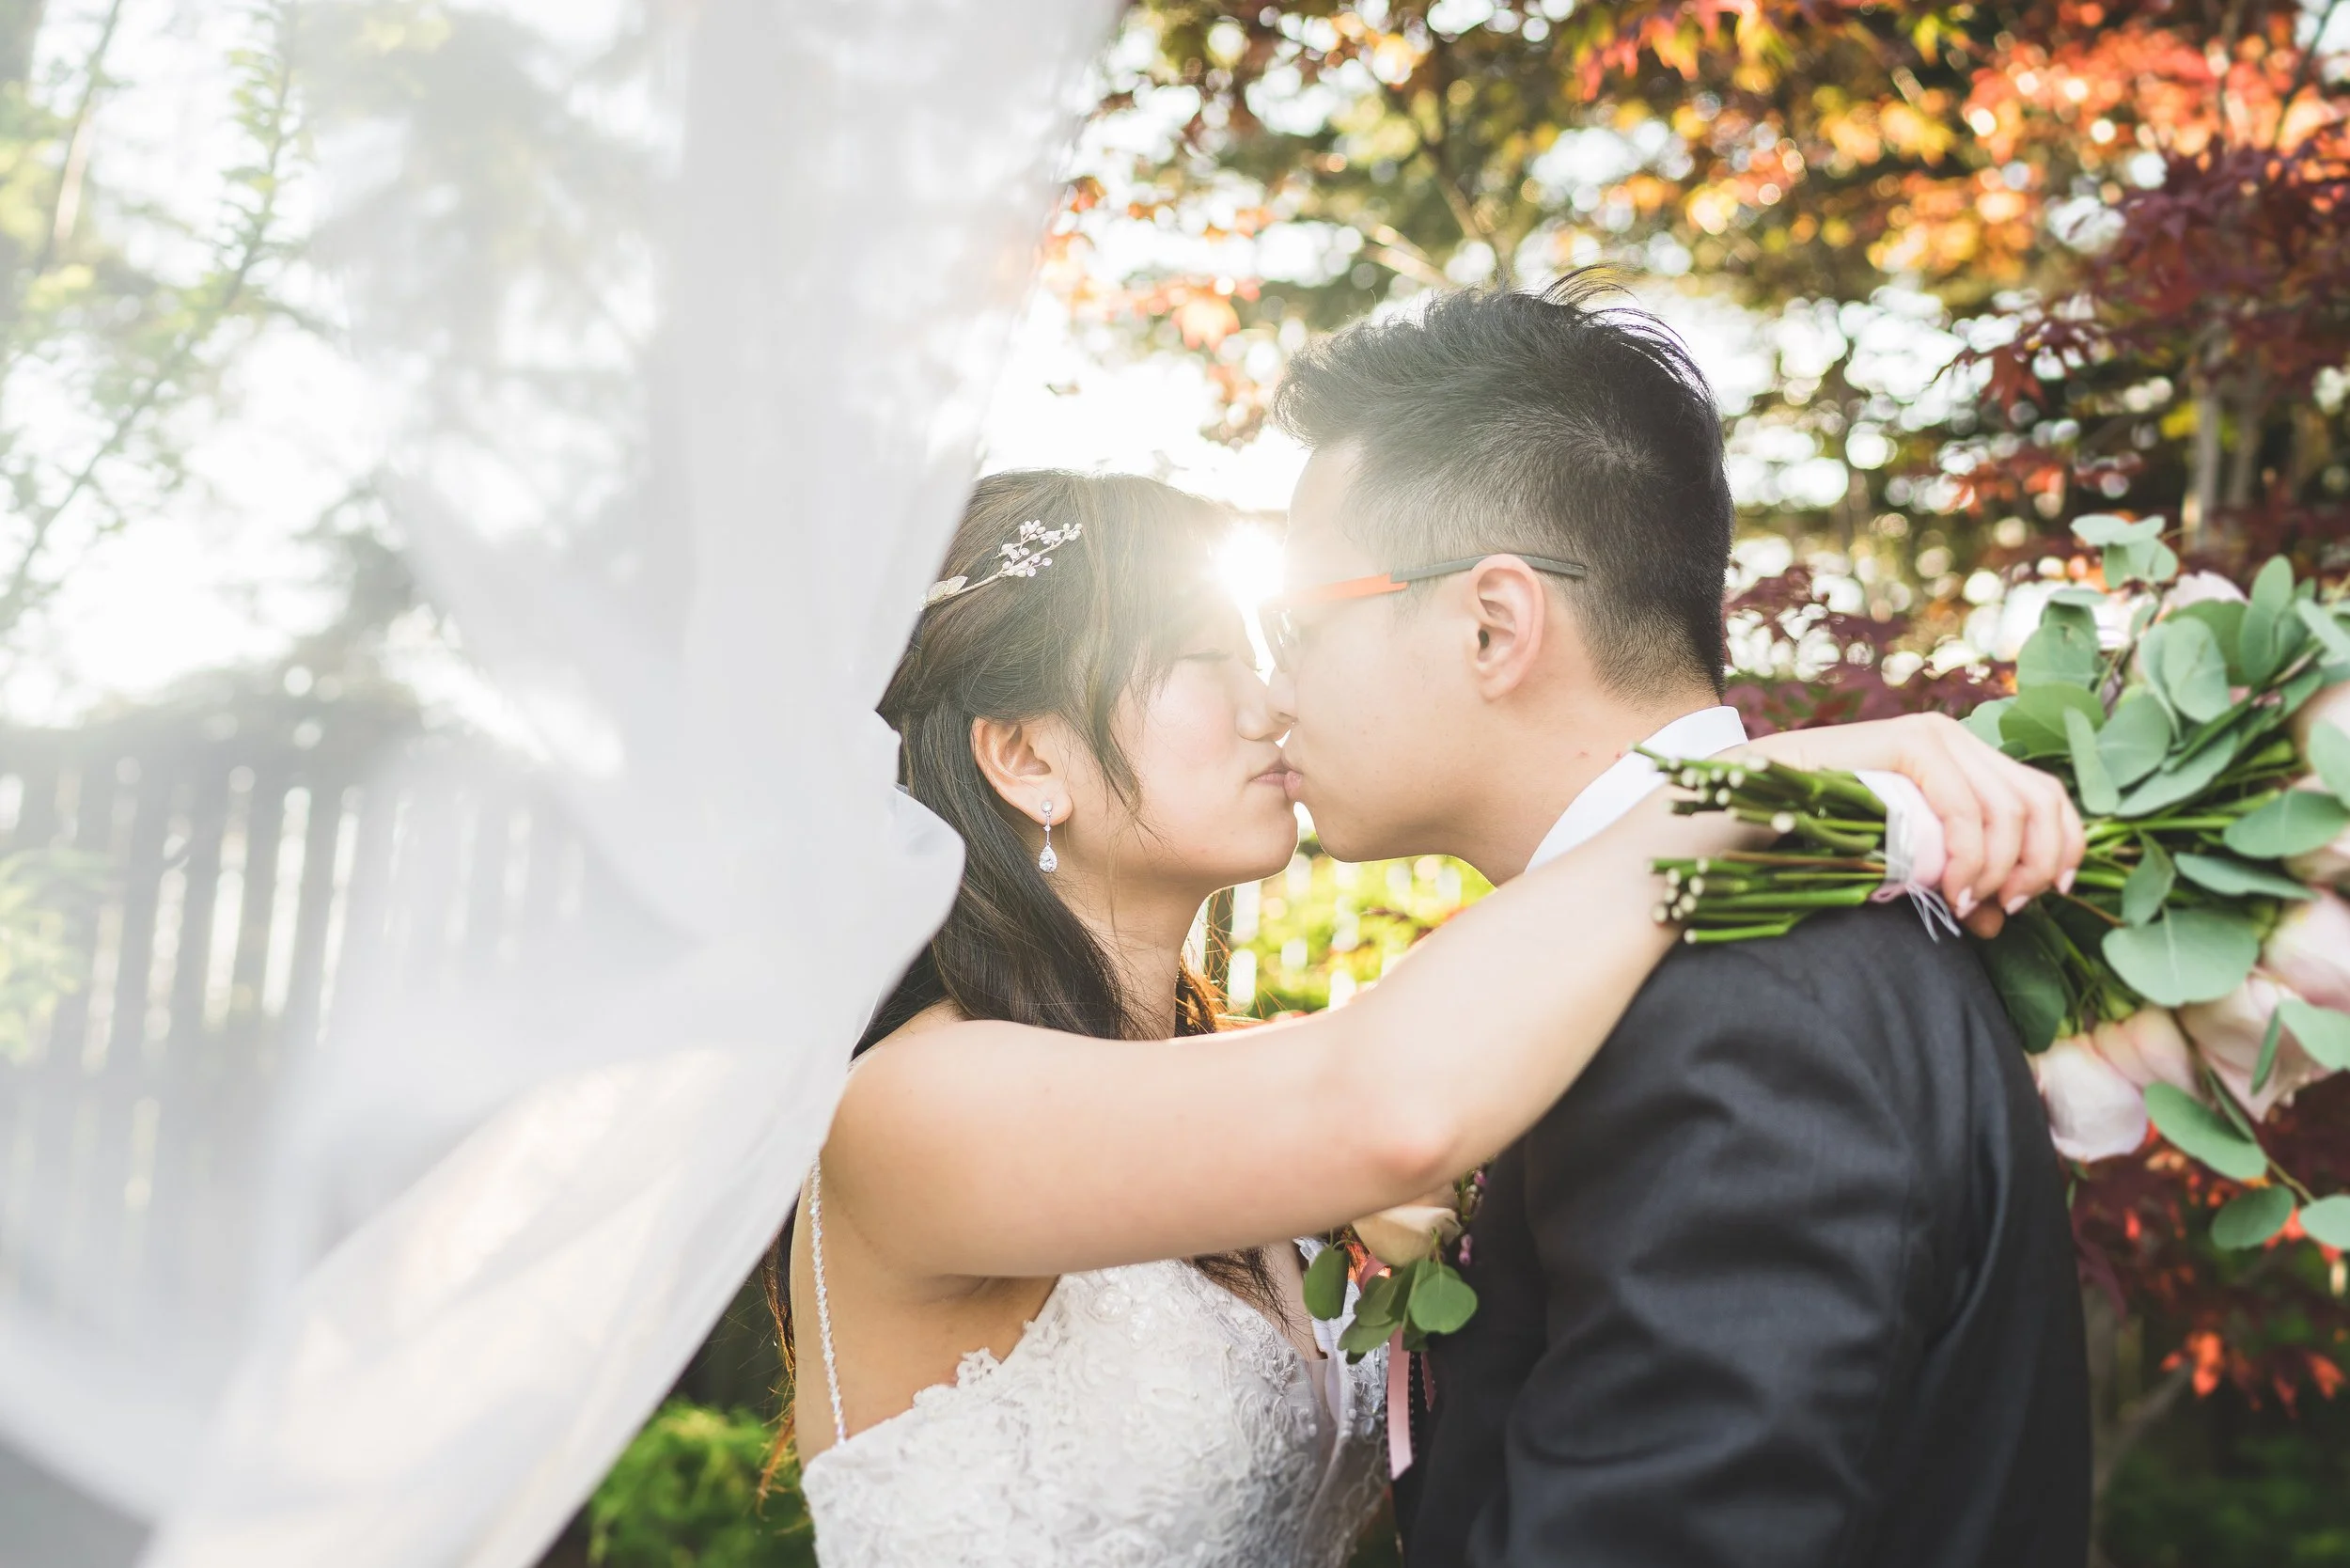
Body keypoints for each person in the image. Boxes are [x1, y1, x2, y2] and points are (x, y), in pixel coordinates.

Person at [771, 462, 2082, 1567]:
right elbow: (1388, 1102)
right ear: (1027, 757)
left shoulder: (1239, 1083)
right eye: (1197, 660)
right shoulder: (907, 1111)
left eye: (1265, 654)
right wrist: (1734, 789)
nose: (1270, 702)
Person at [1262, 275, 2092, 1568]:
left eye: (1296, 628)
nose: (1274, 694)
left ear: (1493, 624)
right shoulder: (1720, 936)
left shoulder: (1732, 996)